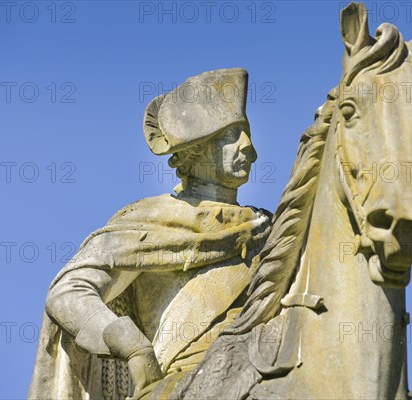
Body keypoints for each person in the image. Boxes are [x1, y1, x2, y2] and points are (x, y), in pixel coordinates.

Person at [28, 68, 272, 400]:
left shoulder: (267, 229)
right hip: (183, 385)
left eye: (246, 133)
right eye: (231, 135)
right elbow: (68, 291)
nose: (248, 147)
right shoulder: (147, 220)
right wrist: (129, 344)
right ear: (195, 148)